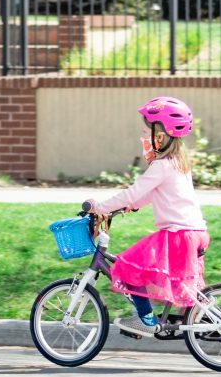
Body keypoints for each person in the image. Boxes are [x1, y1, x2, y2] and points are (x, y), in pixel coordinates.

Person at [86, 96, 209, 337]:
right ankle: (179, 317)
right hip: (195, 233)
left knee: (126, 267)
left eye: (146, 131)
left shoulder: (161, 166)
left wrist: (100, 207)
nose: (143, 137)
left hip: (177, 235)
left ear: (160, 136)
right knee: (169, 279)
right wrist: (132, 206)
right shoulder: (177, 163)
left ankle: (147, 321)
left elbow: (134, 191)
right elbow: (151, 194)